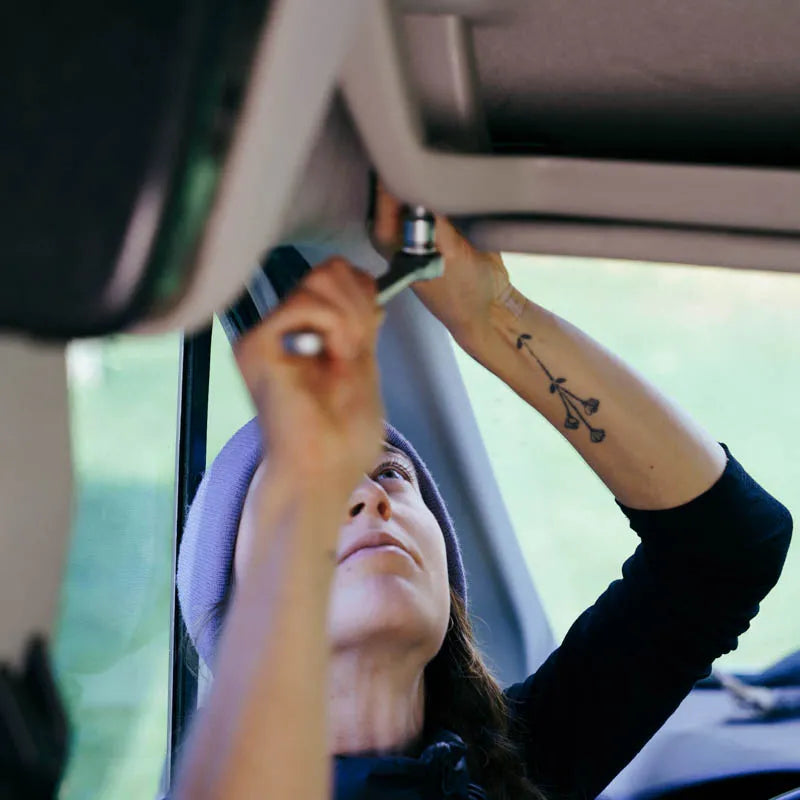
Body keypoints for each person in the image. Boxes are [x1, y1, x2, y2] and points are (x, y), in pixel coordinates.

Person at [170, 191, 792, 800]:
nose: (367, 498)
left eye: (390, 473)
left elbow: (725, 547)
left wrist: (496, 317)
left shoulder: (516, 762)